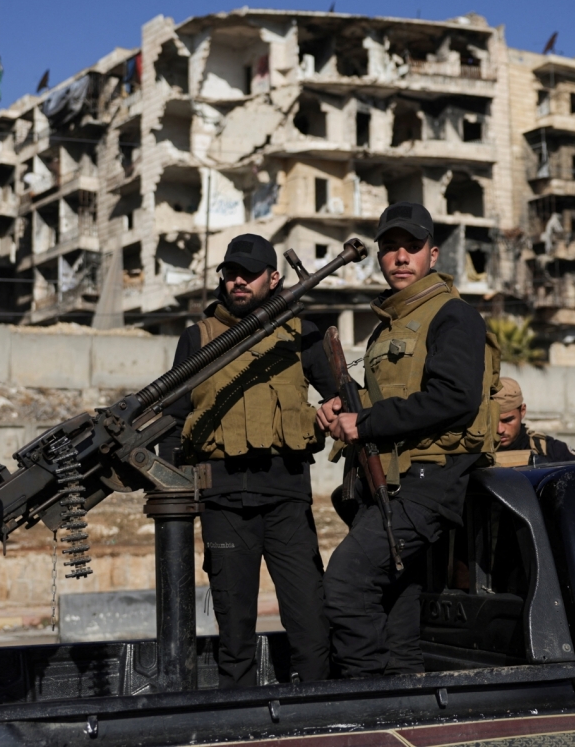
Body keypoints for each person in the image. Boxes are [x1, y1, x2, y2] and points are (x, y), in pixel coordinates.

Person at [317, 202, 499, 677]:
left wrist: (365, 423)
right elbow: (391, 397)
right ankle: (404, 700)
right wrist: (343, 408)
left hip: (427, 481)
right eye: (390, 248)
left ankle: (365, 699)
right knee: (398, 608)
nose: (400, 257)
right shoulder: (389, 324)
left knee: (346, 584)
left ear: (432, 255)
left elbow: (454, 397)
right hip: (387, 484)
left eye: (412, 247)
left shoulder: (453, 315)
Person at [159, 234, 335, 687]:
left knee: (311, 622)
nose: (238, 281)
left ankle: (317, 713)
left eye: (250, 274)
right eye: (231, 273)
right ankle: (236, 716)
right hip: (223, 503)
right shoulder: (198, 337)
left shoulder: (302, 333)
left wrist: (332, 413)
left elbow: (343, 401)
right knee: (234, 632)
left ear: (274, 278)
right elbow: (170, 420)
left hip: (287, 499)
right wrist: (173, 492)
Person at [493, 378, 575, 466]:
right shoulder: (483, 452)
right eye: (493, 422)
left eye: (507, 420)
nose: (500, 430)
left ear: (522, 411)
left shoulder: (548, 449)